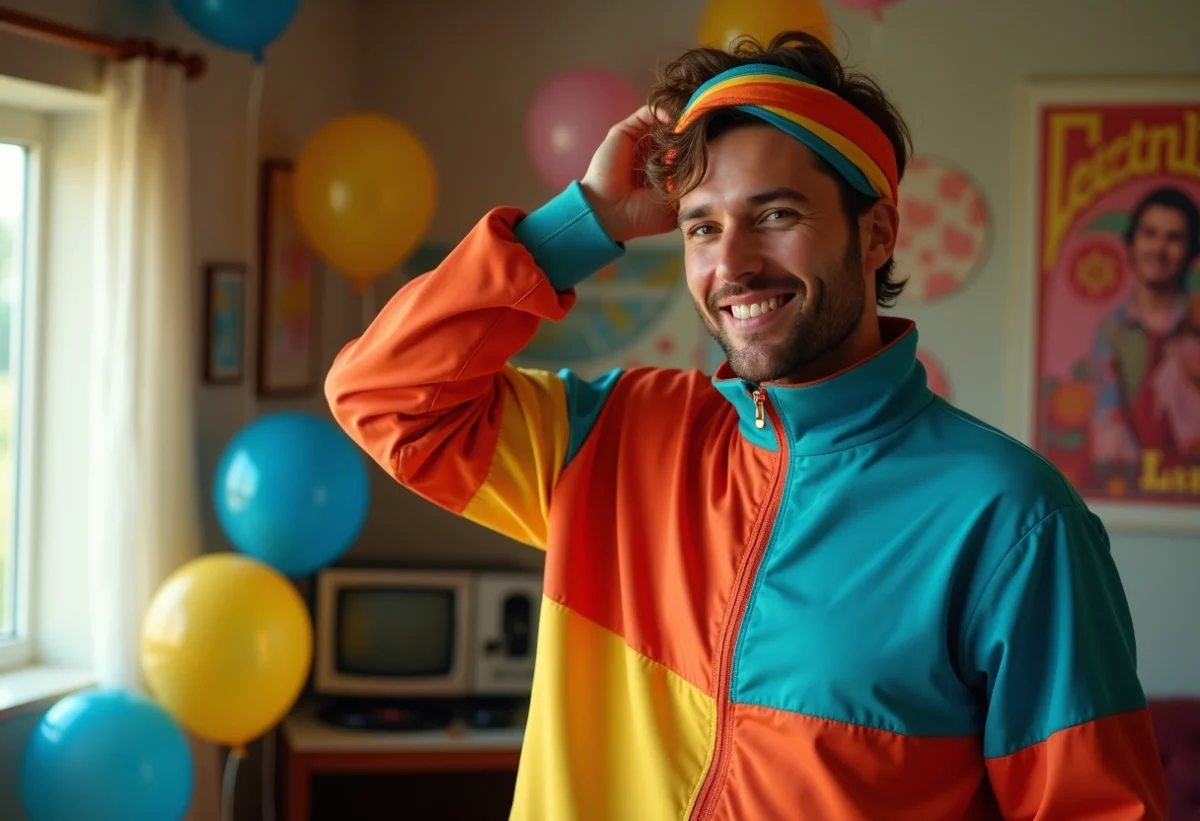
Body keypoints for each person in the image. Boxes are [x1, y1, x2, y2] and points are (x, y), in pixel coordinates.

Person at [325, 31, 1167, 821]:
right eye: (701, 226)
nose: (731, 265)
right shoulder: (610, 434)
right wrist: (584, 220)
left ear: (876, 233)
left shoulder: (1013, 519)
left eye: (775, 215)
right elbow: (383, 392)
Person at [1090, 186, 1200, 469]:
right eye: (1149, 234)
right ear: (1131, 243)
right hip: (1130, 486)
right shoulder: (1111, 330)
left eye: (1174, 238)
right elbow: (1106, 418)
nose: (1159, 249)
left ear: (1191, 251)